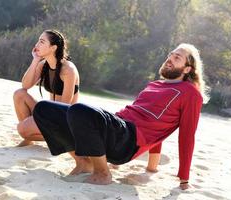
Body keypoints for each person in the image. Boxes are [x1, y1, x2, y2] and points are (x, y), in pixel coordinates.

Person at [32, 43, 208, 190]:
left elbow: (186, 135)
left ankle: (102, 173)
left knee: (79, 110)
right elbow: (157, 122)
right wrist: (151, 167)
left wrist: (184, 178)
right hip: (116, 126)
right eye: (171, 54)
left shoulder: (190, 94)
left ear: (187, 68)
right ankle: (83, 162)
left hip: (128, 141)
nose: (170, 58)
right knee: (44, 109)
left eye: (177, 57)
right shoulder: (155, 85)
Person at [13, 29, 80, 147]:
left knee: (23, 129)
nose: (36, 45)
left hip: (63, 119)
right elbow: (25, 85)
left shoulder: (68, 70)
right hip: (50, 114)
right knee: (19, 94)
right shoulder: (43, 65)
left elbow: (64, 106)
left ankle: (60, 139)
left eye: (42, 42)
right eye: (38, 41)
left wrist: (43, 118)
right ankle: (30, 138)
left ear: (53, 48)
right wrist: (35, 60)